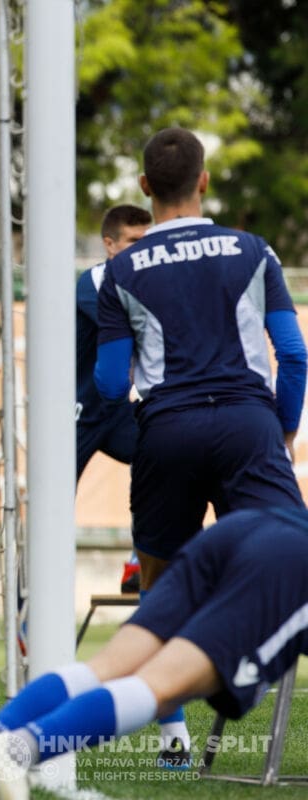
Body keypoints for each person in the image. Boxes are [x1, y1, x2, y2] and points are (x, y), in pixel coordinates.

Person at [94, 127, 306, 767]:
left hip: (170, 432)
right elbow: (293, 354)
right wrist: (283, 429)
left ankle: (173, 740)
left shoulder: (121, 269)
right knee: (295, 562)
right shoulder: (253, 250)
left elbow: (111, 383)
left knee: (161, 585)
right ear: (204, 180)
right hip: (249, 426)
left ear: (144, 186)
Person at [0, 506, 308, 799]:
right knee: (162, 687)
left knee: (104, 668)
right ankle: (9, 755)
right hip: (293, 560)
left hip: (243, 527)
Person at [75, 204, 151, 594]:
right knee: (51, 504)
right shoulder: (93, 281)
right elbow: (134, 327)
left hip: (119, 408)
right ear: (109, 244)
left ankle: (141, 562)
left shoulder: (151, 282)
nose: (142, 249)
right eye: (133, 241)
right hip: (76, 410)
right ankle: (29, 605)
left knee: (161, 450)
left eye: (147, 241)